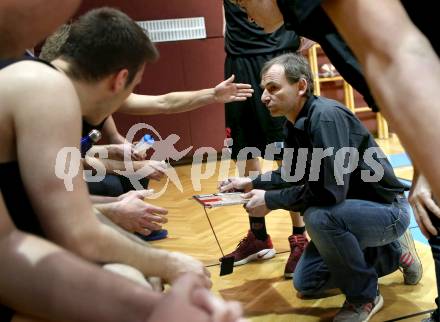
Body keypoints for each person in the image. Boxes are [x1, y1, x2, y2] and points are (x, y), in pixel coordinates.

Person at [0, 2, 243, 322]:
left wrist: (108, 209)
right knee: (137, 275)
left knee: (142, 273)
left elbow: (22, 208)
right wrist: (171, 263)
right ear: (121, 79)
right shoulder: (46, 87)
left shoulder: (43, 82)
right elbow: (77, 234)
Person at [219, 53, 422, 321]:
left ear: (301, 86)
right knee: (307, 283)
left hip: (387, 212)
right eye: (263, 90)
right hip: (351, 212)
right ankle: (393, 254)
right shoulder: (293, 122)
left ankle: (364, 296)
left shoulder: (325, 118)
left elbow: (329, 191)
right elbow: (292, 173)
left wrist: (270, 200)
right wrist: (250, 182)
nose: (264, 98)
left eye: (273, 88)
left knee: (318, 216)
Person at [222, 0, 308, 278]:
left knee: (288, 154)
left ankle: (300, 238)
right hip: (238, 60)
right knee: (245, 151)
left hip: (276, 56)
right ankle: (258, 235)